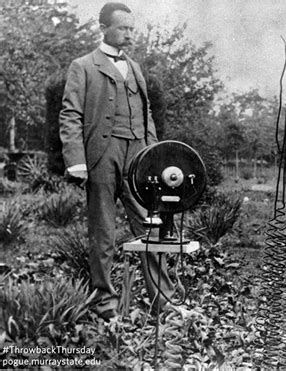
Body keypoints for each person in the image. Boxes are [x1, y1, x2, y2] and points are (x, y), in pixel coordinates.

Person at [59, 2, 174, 320]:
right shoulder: (82, 66)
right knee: (103, 232)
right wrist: (76, 160)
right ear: (103, 29)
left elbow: (146, 112)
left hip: (138, 159)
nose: (129, 34)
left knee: (150, 226)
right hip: (102, 156)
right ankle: (105, 303)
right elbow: (70, 114)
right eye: (123, 28)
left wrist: (153, 154)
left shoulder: (135, 67)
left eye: (131, 29)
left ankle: (162, 302)